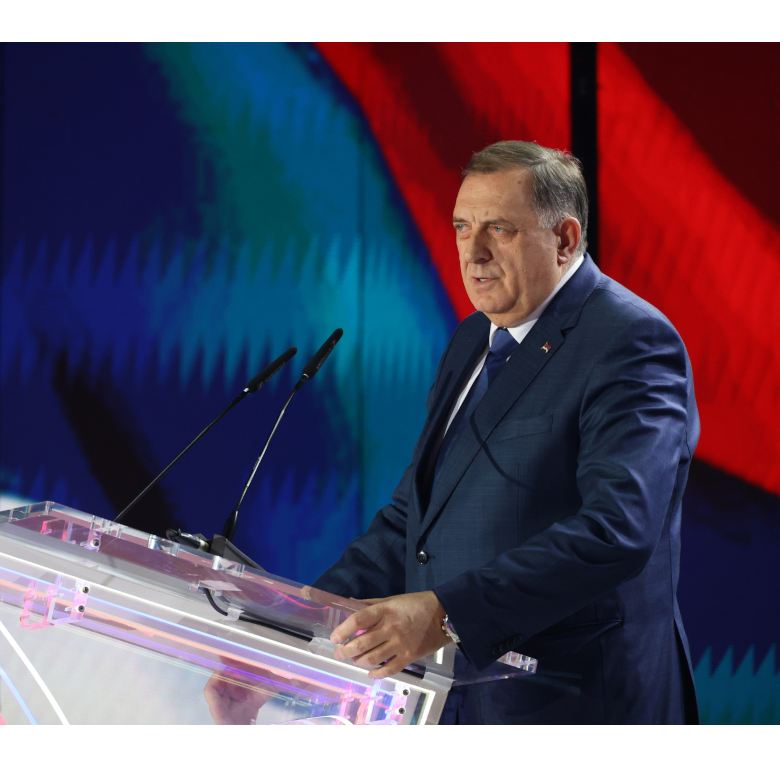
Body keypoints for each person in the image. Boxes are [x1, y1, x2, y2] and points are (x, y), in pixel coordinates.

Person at [207, 140, 700, 724]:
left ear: (565, 239)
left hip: (577, 700)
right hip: (455, 699)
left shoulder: (629, 341)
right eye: (463, 227)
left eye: (500, 229)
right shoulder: (473, 339)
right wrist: (289, 636)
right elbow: (411, 523)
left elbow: (616, 530)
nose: (474, 251)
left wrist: (445, 615)